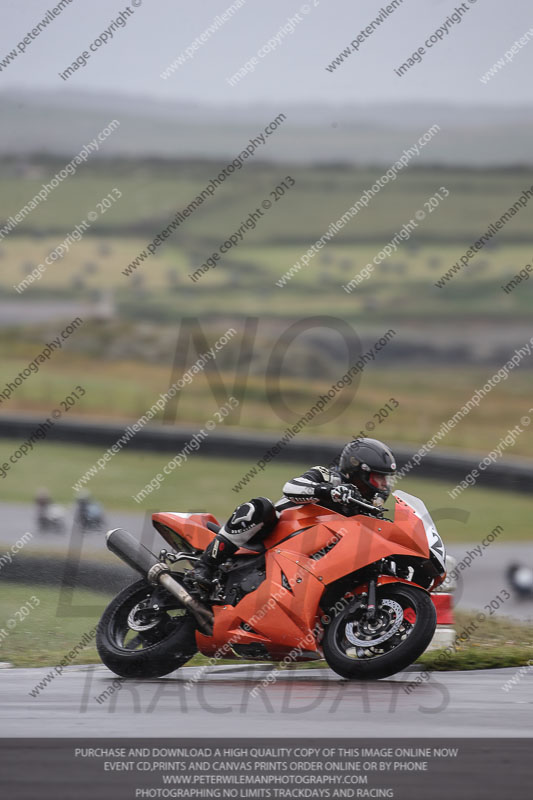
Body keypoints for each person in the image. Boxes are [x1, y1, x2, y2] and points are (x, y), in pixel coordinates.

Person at [189, 437, 397, 591]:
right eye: (378, 478)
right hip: (276, 532)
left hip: (309, 557)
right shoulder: (328, 476)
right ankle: (206, 565)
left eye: (386, 480)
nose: (383, 486)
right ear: (357, 470)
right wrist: (327, 491)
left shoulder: (366, 507)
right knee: (260, 507)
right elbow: (291, 486)